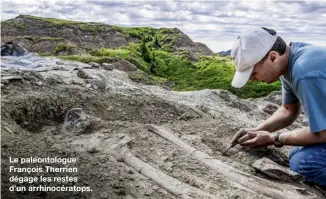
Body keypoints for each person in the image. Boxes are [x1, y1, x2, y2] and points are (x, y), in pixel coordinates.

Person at [229, 27, 326, 186]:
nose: (253, 80)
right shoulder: (290, 61)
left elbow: (323, 133)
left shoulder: (305, 72)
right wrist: (257, 130)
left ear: (272, 57)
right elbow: (288, 110)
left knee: (305, 163)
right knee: (297, 152)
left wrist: (274, 138)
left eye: (253, 73)